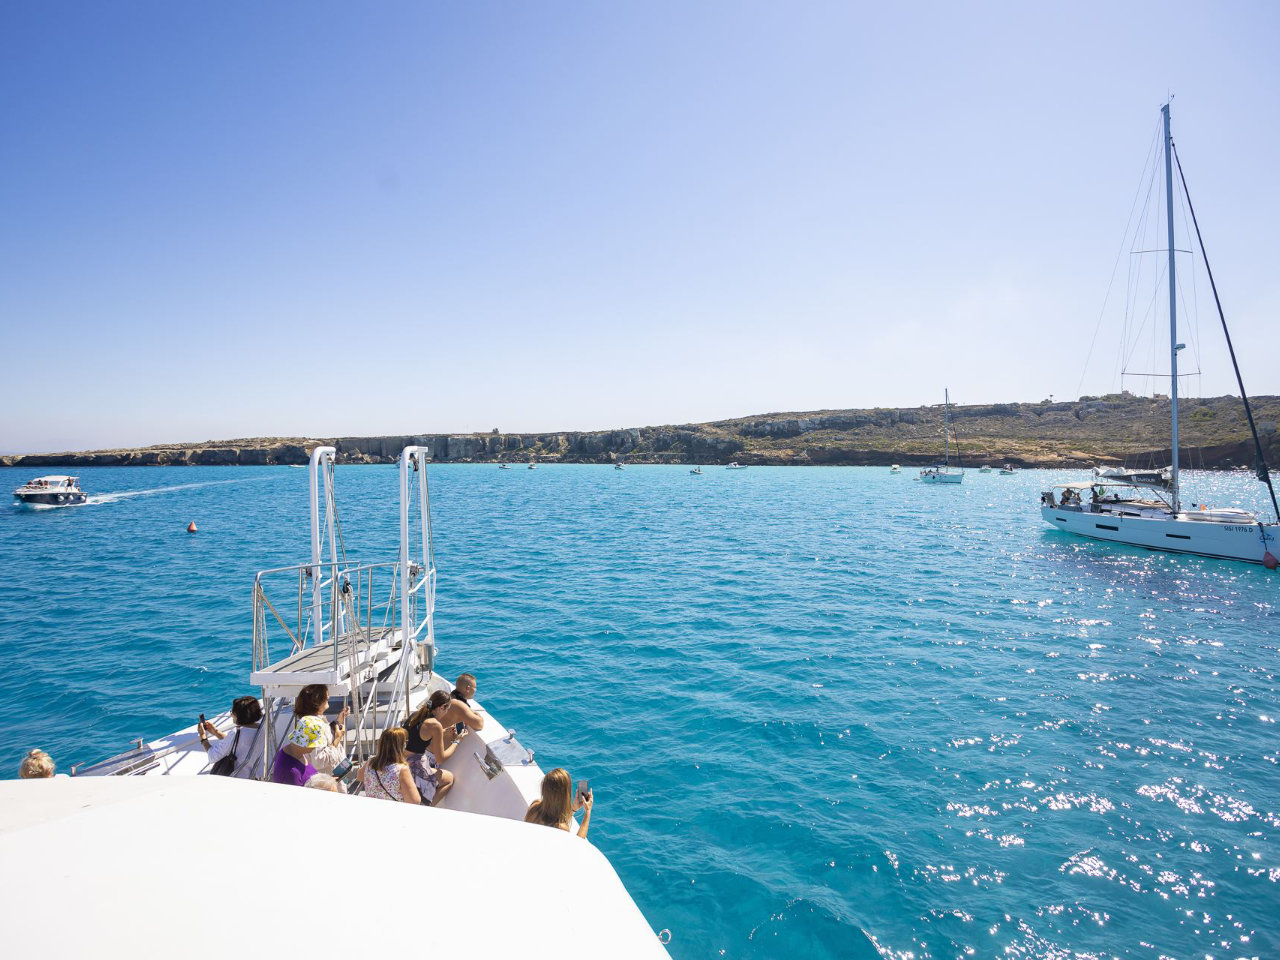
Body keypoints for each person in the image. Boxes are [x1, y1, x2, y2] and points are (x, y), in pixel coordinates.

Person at [401, 691, 457, 806]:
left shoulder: (415, 715)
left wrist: (442, 732)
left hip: (401, 761)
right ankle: (426, 808)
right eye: (446, 710)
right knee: (449, 779)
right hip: (414, 767)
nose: (446, 713)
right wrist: (457, 742)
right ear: (441, 707)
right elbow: (440, 759)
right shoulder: (435, 725)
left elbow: (417, 735)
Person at [272, 683, 331, 787]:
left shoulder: (294, 754)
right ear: (304, 743)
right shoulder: (291, 773)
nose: (315, 747)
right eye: (313, 744)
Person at [198, 695, 264, 778]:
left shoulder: (237, 732)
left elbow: (212, 755)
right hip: (255, 775)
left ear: (239, 715)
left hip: (237, 777)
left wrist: (203, 737)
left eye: (232, 712)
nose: (231, 715)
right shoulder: (262, 728)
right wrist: (215, 732)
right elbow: (238, 743)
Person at [525, 767, 592, 839]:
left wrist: (574, 809)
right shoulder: (561, 828)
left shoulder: (534, 806)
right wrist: (588, 812)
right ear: (565, 795)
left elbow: (554, 816)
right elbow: (577, 843)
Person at [360, 727, 421, 804]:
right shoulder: (401, 769)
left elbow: (360, 777)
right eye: (406, 741)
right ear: (401, 745)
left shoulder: (370, 762)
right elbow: (415, 801)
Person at [443, 673, 485, 738]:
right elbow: (479, 724)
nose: (475, 690)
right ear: (468, 689)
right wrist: (476, 713)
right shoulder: (458, 704)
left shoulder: (450, 697)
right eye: (475, 688)